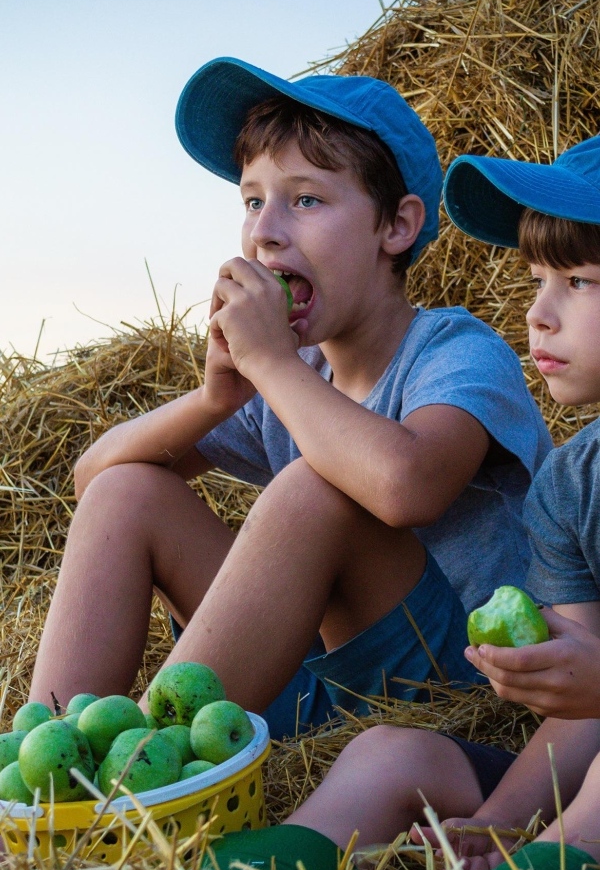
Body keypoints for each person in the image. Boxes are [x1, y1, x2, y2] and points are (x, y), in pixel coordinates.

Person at [28, 58, 550, 744]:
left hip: (450, 688)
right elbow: (94, 481)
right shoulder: (292, 374)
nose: (265, 231)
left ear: (396, 227)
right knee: (129, 492)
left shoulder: (455, 350)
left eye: (305, 200)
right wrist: (215, 397)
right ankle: (47, 761)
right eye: (252, 201)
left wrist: (271, 364)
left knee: (314, 489)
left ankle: (142, 774)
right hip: (310, 688)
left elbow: (407, 487)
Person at [209, 134, 600, 870]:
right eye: (537, 280)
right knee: (385, 754)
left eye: (580, 282)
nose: (538, 315)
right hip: (571, 773)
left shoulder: (451, 352)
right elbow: (581, 705)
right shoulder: (568, 485)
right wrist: (495, 822)